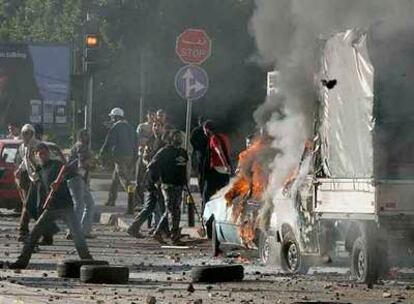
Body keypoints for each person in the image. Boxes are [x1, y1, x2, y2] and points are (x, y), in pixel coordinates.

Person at [8, 143, 92, 269]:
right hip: (51, 208)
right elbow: (38, 190)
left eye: (45, 152)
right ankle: (21, 261)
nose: (43, 155)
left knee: (78, 236)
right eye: (40, 153)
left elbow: (70, 173)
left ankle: (89, 262)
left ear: (48, 153)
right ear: (36, 156)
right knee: (34, 235)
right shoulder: (40, 170)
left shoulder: (57, 165)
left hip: (66, 207)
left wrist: (60, 180)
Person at [127, 121, 167, 238]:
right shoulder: (150, 142)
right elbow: (145, 159)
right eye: (155, 126)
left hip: (161, 176)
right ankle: (136, 228)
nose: (156, 128)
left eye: (159, 126)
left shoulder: (164, 142)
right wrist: (150, 164)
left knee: (157, 205)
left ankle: (157, 228)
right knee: (152, 205)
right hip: (152, 177)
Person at [150, 130, 188, 244]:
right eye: (176, 137)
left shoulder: (183, 152)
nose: (179, 139)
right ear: (171, 139)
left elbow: (184, 168)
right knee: (173, 211)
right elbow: (152, 166)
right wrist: (156, 181)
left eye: (180, 137)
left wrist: (185, 181)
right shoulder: (164, 152)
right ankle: (175, 237)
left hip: (179, 185)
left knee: (171, 210)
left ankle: (157, 232)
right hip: (168, 185)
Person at [99, 107, 137, 207]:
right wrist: (135, 156)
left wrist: (102, 153)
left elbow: (109, 142)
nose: (112, 119)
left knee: (124, 179)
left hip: (119, 156)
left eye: (112, 117)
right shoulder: (130, 127)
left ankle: (135, 200)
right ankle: (111, 200)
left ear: (116, 117)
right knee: (115, 179)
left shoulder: (116, 127)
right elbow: (135, 142)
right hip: (130, 156)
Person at [66, 129, 96, 238]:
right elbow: (81, 164)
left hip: (77, 179)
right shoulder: (81, 147)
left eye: (87, 136)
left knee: (89, 204)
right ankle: (73, 231)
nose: (86, 138)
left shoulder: (77, 146)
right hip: (77, 178)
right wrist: (90, 164)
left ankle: (83, 231)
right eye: (84, 136)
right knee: (80, 205)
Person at [202, 120, 232, 210]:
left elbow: (219, 151)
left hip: (216, 170)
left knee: (207, 195)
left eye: (204, 130)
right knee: (222, 195)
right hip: (225, 172)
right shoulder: (225, 137)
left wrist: (225, 164)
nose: (204, 133)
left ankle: (206, 214)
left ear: (207, 129)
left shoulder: (214, 138)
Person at [190, 116, 208, 192]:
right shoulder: (196, 131)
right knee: (201, 172)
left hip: (204, 153)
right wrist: (196, 148)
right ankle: (202, 188)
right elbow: (191, 141)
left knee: (203, 173)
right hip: (200, 153)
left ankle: (203, 188)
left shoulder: (206, 130)